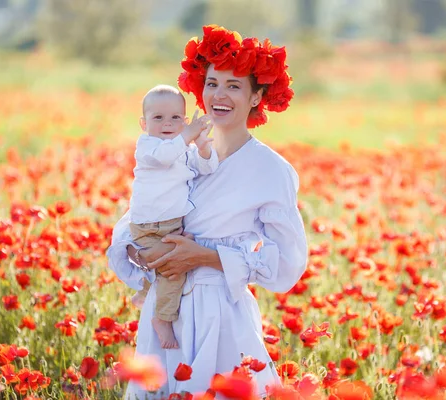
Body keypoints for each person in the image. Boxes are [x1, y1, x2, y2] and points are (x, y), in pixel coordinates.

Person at [107, 24, 308, 398]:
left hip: (221, 314)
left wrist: (209, 257)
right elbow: (136, 217)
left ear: (256, 97)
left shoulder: (271, 170)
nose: (219, 94)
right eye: (212, 82)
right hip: (164, 314)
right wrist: (142, 252)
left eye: (234, 86)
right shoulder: (179, 151)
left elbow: (287, 262)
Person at [128, 84, 218, 350]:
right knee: (172, 270)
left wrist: (202, 148)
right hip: (147, 225)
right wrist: (188, 135)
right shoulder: (148, 146)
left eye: (176, 118)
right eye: (158, 118)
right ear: (144, 123)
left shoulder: (184, 149)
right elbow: (165, 158)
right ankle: (162, 318)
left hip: (170, 224)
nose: (168, 124)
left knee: (166, 262)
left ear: (185, 120)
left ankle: (145, 292)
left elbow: (206, 168)